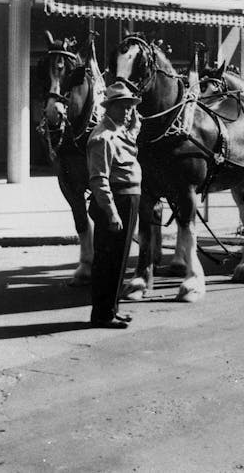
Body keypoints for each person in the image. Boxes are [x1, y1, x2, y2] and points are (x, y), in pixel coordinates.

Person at [86, 81, 143, 329]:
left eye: (130, 106)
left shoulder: (121, 132)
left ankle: (112, 309)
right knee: (107, 261)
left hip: (128, 199)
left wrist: (135, 114)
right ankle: (102, 314)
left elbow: (135, 129)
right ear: (109, 108)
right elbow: (99, 180)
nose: (128, 111)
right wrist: (111, 213)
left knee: (119, 260)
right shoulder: (103, 137)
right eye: (123, 106)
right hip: (115, 201)